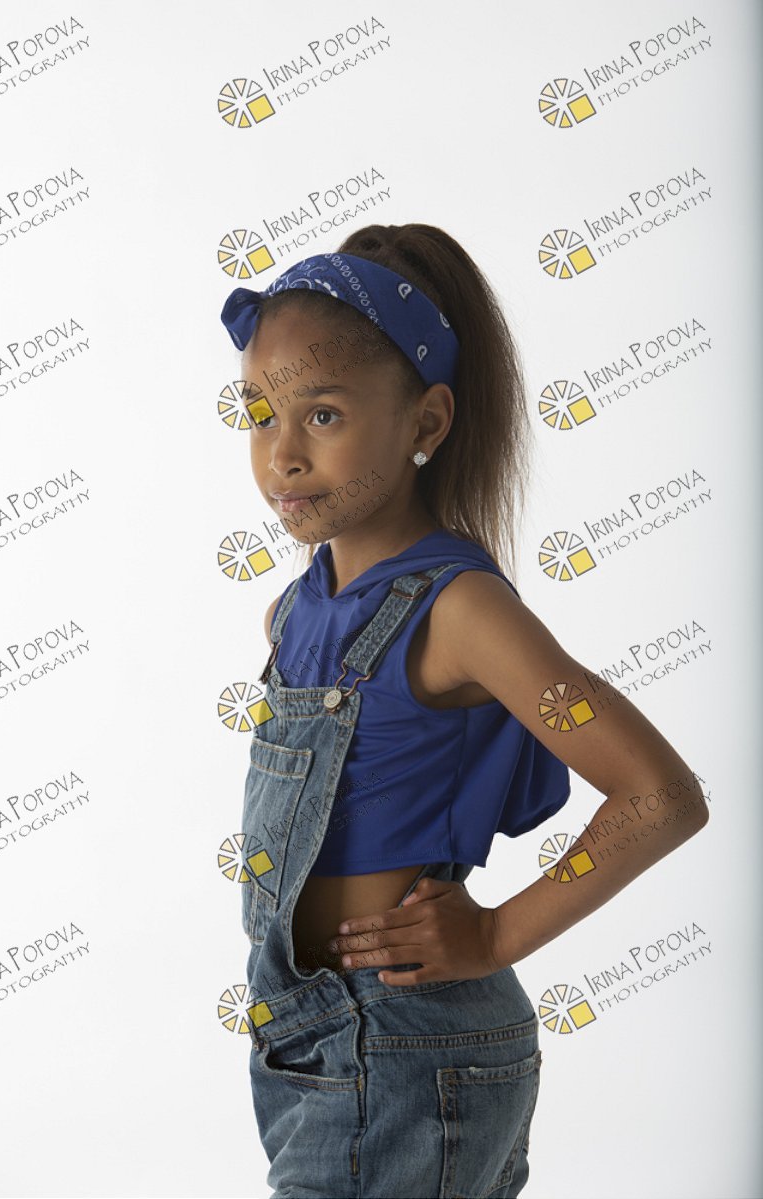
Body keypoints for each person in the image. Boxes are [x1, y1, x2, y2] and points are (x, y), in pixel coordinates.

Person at [220, 224, 709, 1199]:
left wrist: (494, 935)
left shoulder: (459, 611)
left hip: (407, 1045)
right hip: (306, 1039)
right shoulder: (293, 613)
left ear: (426, 420)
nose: (283, 454)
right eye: (261, 413)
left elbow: (659, 795)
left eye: (323, 415)